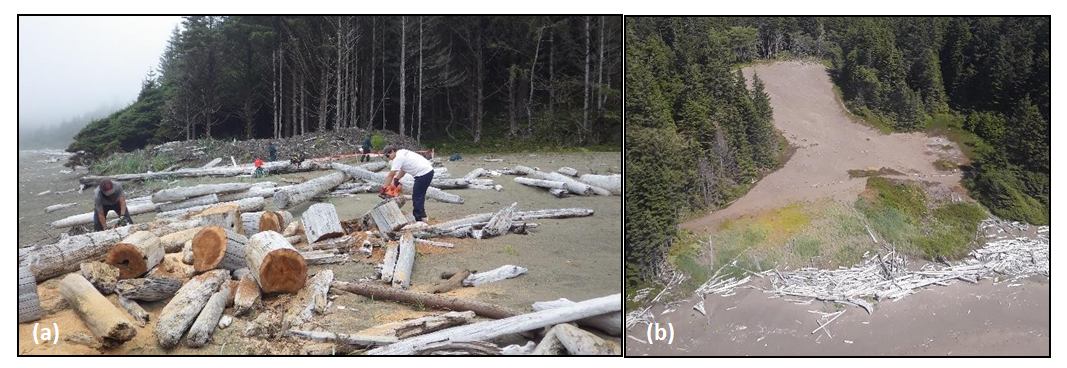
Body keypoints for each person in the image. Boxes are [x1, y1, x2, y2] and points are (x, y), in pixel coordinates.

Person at [380, 145, 434, 222]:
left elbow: (390, 175)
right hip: (427, 171)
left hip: (423, 173)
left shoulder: (398, 158)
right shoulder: (401, 152)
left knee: (417, 196)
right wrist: (397, 179)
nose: (388, 157)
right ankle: (422, 215)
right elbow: (404, 169)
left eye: (387, 155)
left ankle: (419, 218)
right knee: (419, 195)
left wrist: (383, 188)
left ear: (392, 151)